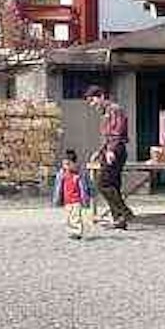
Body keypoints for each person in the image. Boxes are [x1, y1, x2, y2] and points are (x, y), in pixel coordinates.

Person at [85, 85, 135, 229]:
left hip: (115, 150)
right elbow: (106, 136)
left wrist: (110, 150)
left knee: (102, 183)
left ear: (101, 96)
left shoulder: (114, 109)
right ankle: (119, 220)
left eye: (92, 100)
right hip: (109, 150)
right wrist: (99, 152)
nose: (92, 104)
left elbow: (116, 132)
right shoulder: (105, 112)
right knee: (113, 185)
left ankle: (125, 212)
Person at [52, 149, 93, 240]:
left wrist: (87, 197)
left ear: (73, 164)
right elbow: (58, 187)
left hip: (76, 199)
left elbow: (86, 186)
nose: (66, 167)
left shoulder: (79, 175)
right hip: (67, 200)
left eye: (68, 164)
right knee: (68, 217)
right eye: (64, 165)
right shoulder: (62, 174)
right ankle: (71, 230)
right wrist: (58, 198)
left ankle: (77, 232)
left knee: (75, 216)